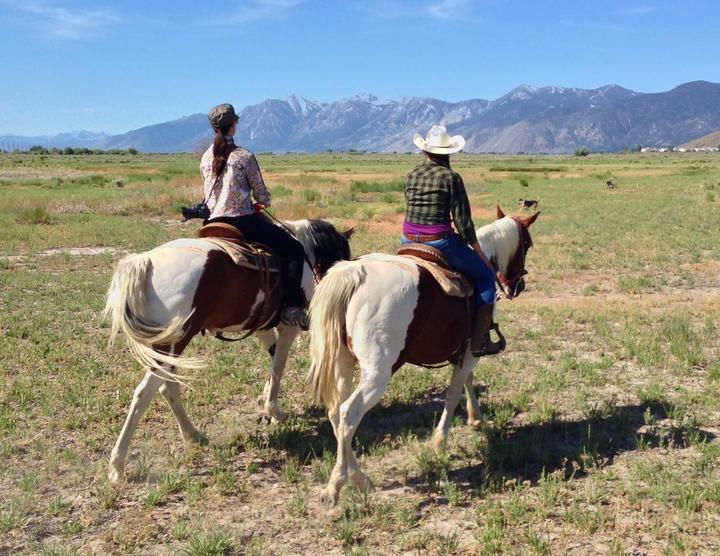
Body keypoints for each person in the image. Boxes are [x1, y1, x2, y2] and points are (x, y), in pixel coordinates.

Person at [200, 103, 309, 329]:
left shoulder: (204, 157)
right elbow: (261, 194)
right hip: (241, 221)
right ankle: (291, 306)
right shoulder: (244, 157)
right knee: (294, 250)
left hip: (212, 221)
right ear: (234, 125)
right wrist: (263, 200)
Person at [402, 124, 498, 356]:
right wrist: (478, 251)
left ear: (425, 151)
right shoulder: (451, 177)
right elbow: (463, 221)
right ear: (448, 153)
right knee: (485, 277)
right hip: (438, 241)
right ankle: (479, 340)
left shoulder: (413, 174)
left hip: (407, 239)